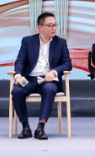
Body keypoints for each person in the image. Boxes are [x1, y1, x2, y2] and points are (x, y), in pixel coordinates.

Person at [11, 12, 72, 141]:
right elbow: (20, 61)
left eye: (55, 25)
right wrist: (18, 75)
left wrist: (54, 72)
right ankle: (25, 127)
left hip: (47, 80)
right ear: (40, 27)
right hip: (30, 79)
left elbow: (67, 64)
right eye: (50, 25)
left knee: (50, 89)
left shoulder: (61, 43)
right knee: (16, 91)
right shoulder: (28, 41)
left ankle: (40, 128)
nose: (54, 28)